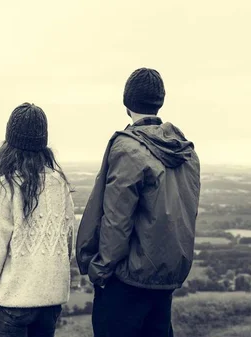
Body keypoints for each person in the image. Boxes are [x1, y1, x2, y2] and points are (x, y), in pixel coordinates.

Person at [76, 68, 201, 337]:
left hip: (126, 281)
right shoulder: (186, 152)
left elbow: (116, 220)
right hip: (164, 279)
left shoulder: (128, 149)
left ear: (127, 103)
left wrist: (100, 270)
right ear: (160, 102)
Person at [0, 102, 76, 337]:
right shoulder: (60, 184)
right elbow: (68, 246)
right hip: (49, 304)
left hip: (10, 306)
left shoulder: (4, 186)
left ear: (9, 143)